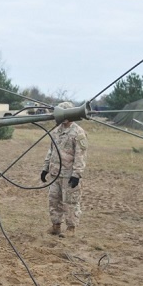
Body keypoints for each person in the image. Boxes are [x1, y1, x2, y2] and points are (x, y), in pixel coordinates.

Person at [40, 102, 88, 238]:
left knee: (70, 202)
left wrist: (77, 174)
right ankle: (56, 226)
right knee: (54, 200)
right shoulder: (56, 131)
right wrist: (45, 168)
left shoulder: (78, 132)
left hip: (69, 174)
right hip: (55, 173)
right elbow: (51, 150)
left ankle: (71, 228)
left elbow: (81, 155)